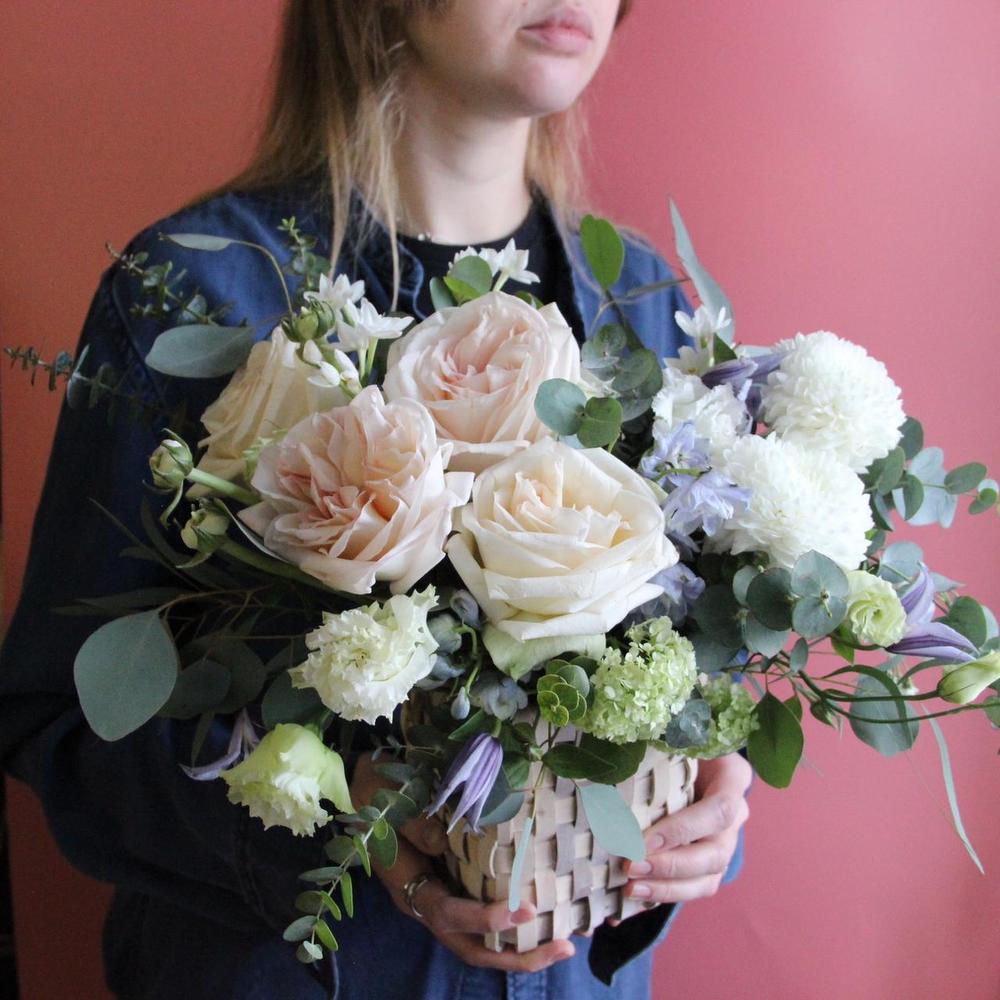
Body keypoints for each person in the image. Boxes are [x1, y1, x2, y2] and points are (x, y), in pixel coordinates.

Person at [0, 2, 751, 998]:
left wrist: (705, 791)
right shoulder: (197, 296)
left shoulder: (646, 307)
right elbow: (60, 723)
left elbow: (698, 671)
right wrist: (324, 823)